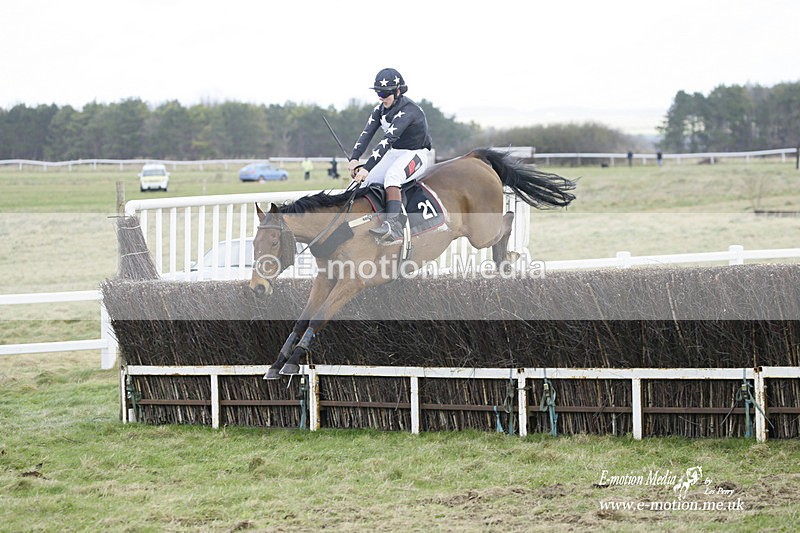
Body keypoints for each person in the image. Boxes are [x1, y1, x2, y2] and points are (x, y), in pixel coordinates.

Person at [348, 67, 433, 241]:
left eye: (385, 93)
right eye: (378, 93)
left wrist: (367, 167)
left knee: (393, 177)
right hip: (395, 153)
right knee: (369, 180)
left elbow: (387, 140)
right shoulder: (379, 110)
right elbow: (366, 134)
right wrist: (354, 158)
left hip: (416, 154)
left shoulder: (409, 111)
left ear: (398, 91)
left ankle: (393, 225)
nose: (381, 97)